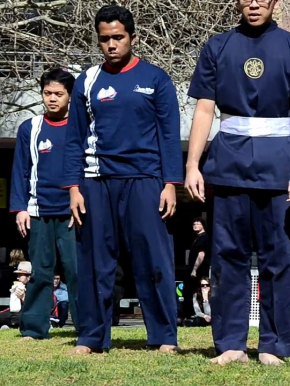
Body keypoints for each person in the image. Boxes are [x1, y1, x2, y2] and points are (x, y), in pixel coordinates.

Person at [184, 0, 290, 366]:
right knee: (226, 256)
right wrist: (192, 164)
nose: (254, 3)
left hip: (279, 169)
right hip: (227, 164)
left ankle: (273, 346)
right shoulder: (218, 46)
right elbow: (203, 108)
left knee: (276, 260)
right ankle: (230, 344)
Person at [62, 5, 182, 354]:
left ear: (132, 37)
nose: (111, 44)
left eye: (118, 37)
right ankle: (91, 338)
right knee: (96, 263)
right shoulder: (86, 80)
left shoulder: (156, 79)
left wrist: (170, 183)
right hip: (96, 182)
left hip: (146, 180)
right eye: (104, 39)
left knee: (153, 261)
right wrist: (73, 188)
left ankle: (164, 337)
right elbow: (74, 139)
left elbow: (169, 136)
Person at [9, 68, 79, 340]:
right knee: (41, 271)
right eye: (47, 93)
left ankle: (87, 328)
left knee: (76, 271)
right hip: (38, 211)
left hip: (73, 213)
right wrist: (20, 208)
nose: (52, 99)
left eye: (58, 94)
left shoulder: (80, 125)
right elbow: (21, 171)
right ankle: (34, 329)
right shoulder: (30, 127)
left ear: (69, 97)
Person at [184, 218, 210, 318]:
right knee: (193, 292)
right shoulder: (197, 238)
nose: (195, 225)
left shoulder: (204, 238)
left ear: (203, 225)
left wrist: (194, 270)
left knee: (199, 292)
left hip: (200, 271)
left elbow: (201, 255)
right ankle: (195, 313)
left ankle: (201, 314)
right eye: (194, 224)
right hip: (196, 270)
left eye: (198, 223)